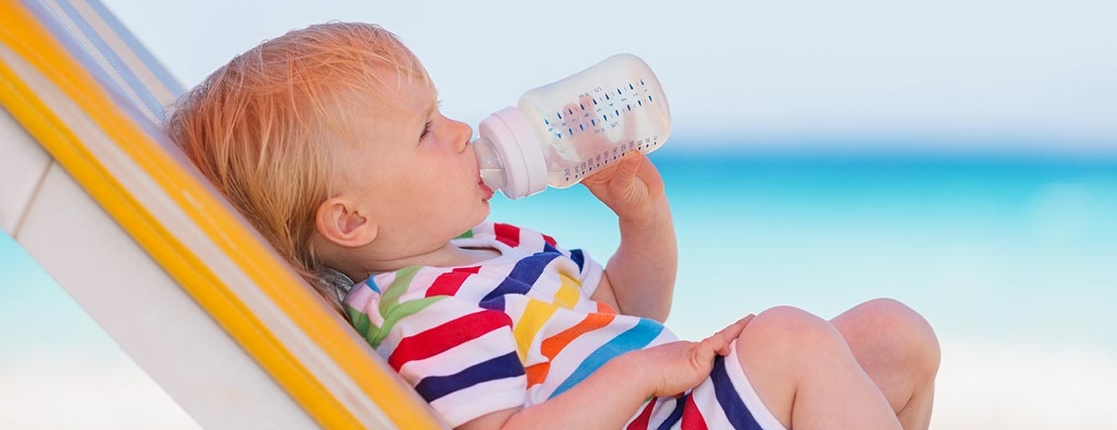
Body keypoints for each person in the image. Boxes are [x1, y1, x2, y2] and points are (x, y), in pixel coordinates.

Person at [167, 22, 939, 430]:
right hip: (658, 417)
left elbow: (633, 308)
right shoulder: (425, 314)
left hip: (677, 408)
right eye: (427, 131)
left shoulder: (492, 251)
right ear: (350, 218)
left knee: (894, 336)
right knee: (791, 339)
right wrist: (635, 374)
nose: (465, 130)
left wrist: (642, 222)